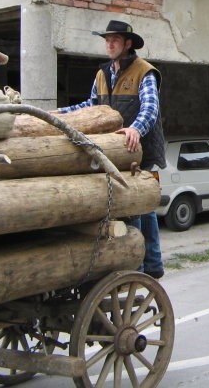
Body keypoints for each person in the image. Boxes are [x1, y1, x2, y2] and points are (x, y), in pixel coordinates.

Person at [58, 20, 166, 279]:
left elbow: (150, 108)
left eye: (114, 40)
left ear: (128, 44)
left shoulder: (145, 72)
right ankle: (153, 264)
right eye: (107, 40)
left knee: (134, 204)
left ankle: (137, 266)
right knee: (146, 205)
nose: (109, 44)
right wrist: (60, 114)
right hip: (115, 149)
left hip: (139, 147)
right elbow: (91, 105)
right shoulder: (102, 74)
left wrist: (136, 129)